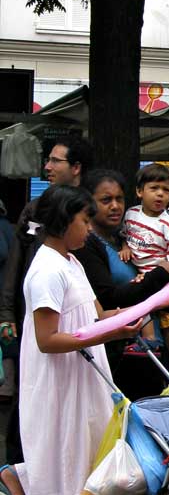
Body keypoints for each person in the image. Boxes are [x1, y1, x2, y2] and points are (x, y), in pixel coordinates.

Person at [0, 185, 141, 495]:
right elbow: (47, 340)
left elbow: (93, 316)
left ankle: (22, 477)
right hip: (58, 380)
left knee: (79, 458)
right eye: (83, 220)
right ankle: (23, 480)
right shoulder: (47, 269)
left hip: (82, 374)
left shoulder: (72, 261)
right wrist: (110, 334)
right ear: (64, 222)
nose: (89, 228)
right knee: (64, 462)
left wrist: (126, 316)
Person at [74, 169, 169, 495]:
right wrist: (159, 277)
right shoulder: (88, 246)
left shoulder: (128, 239)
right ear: (89, 204)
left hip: (144, 355)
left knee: (144, 446)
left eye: (119, 199)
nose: (116, 206)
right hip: (113, 358)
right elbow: (111, 296)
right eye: (106, 200)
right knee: (108, 447)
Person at [0, 134, 94, 465]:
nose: (47, 167)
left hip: (78, 324)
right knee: (33, 405)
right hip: (42, 316)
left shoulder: (86, 218)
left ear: (77, 168)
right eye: (49, 160)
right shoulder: (36, 214)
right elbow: (16, 263)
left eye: (56, 160)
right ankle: (18, 473)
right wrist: (7, 312)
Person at [122, 163, 169, 386]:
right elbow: (126, 236)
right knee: (162, 319)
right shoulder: (131, 214)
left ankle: (152, 343)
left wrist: (158, 276)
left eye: (166, 190)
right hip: (140, 273)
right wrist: (125, 247)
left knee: (161, 316)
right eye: (154, 188)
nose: (160, 194)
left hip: (160, 279)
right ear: (140, 191)